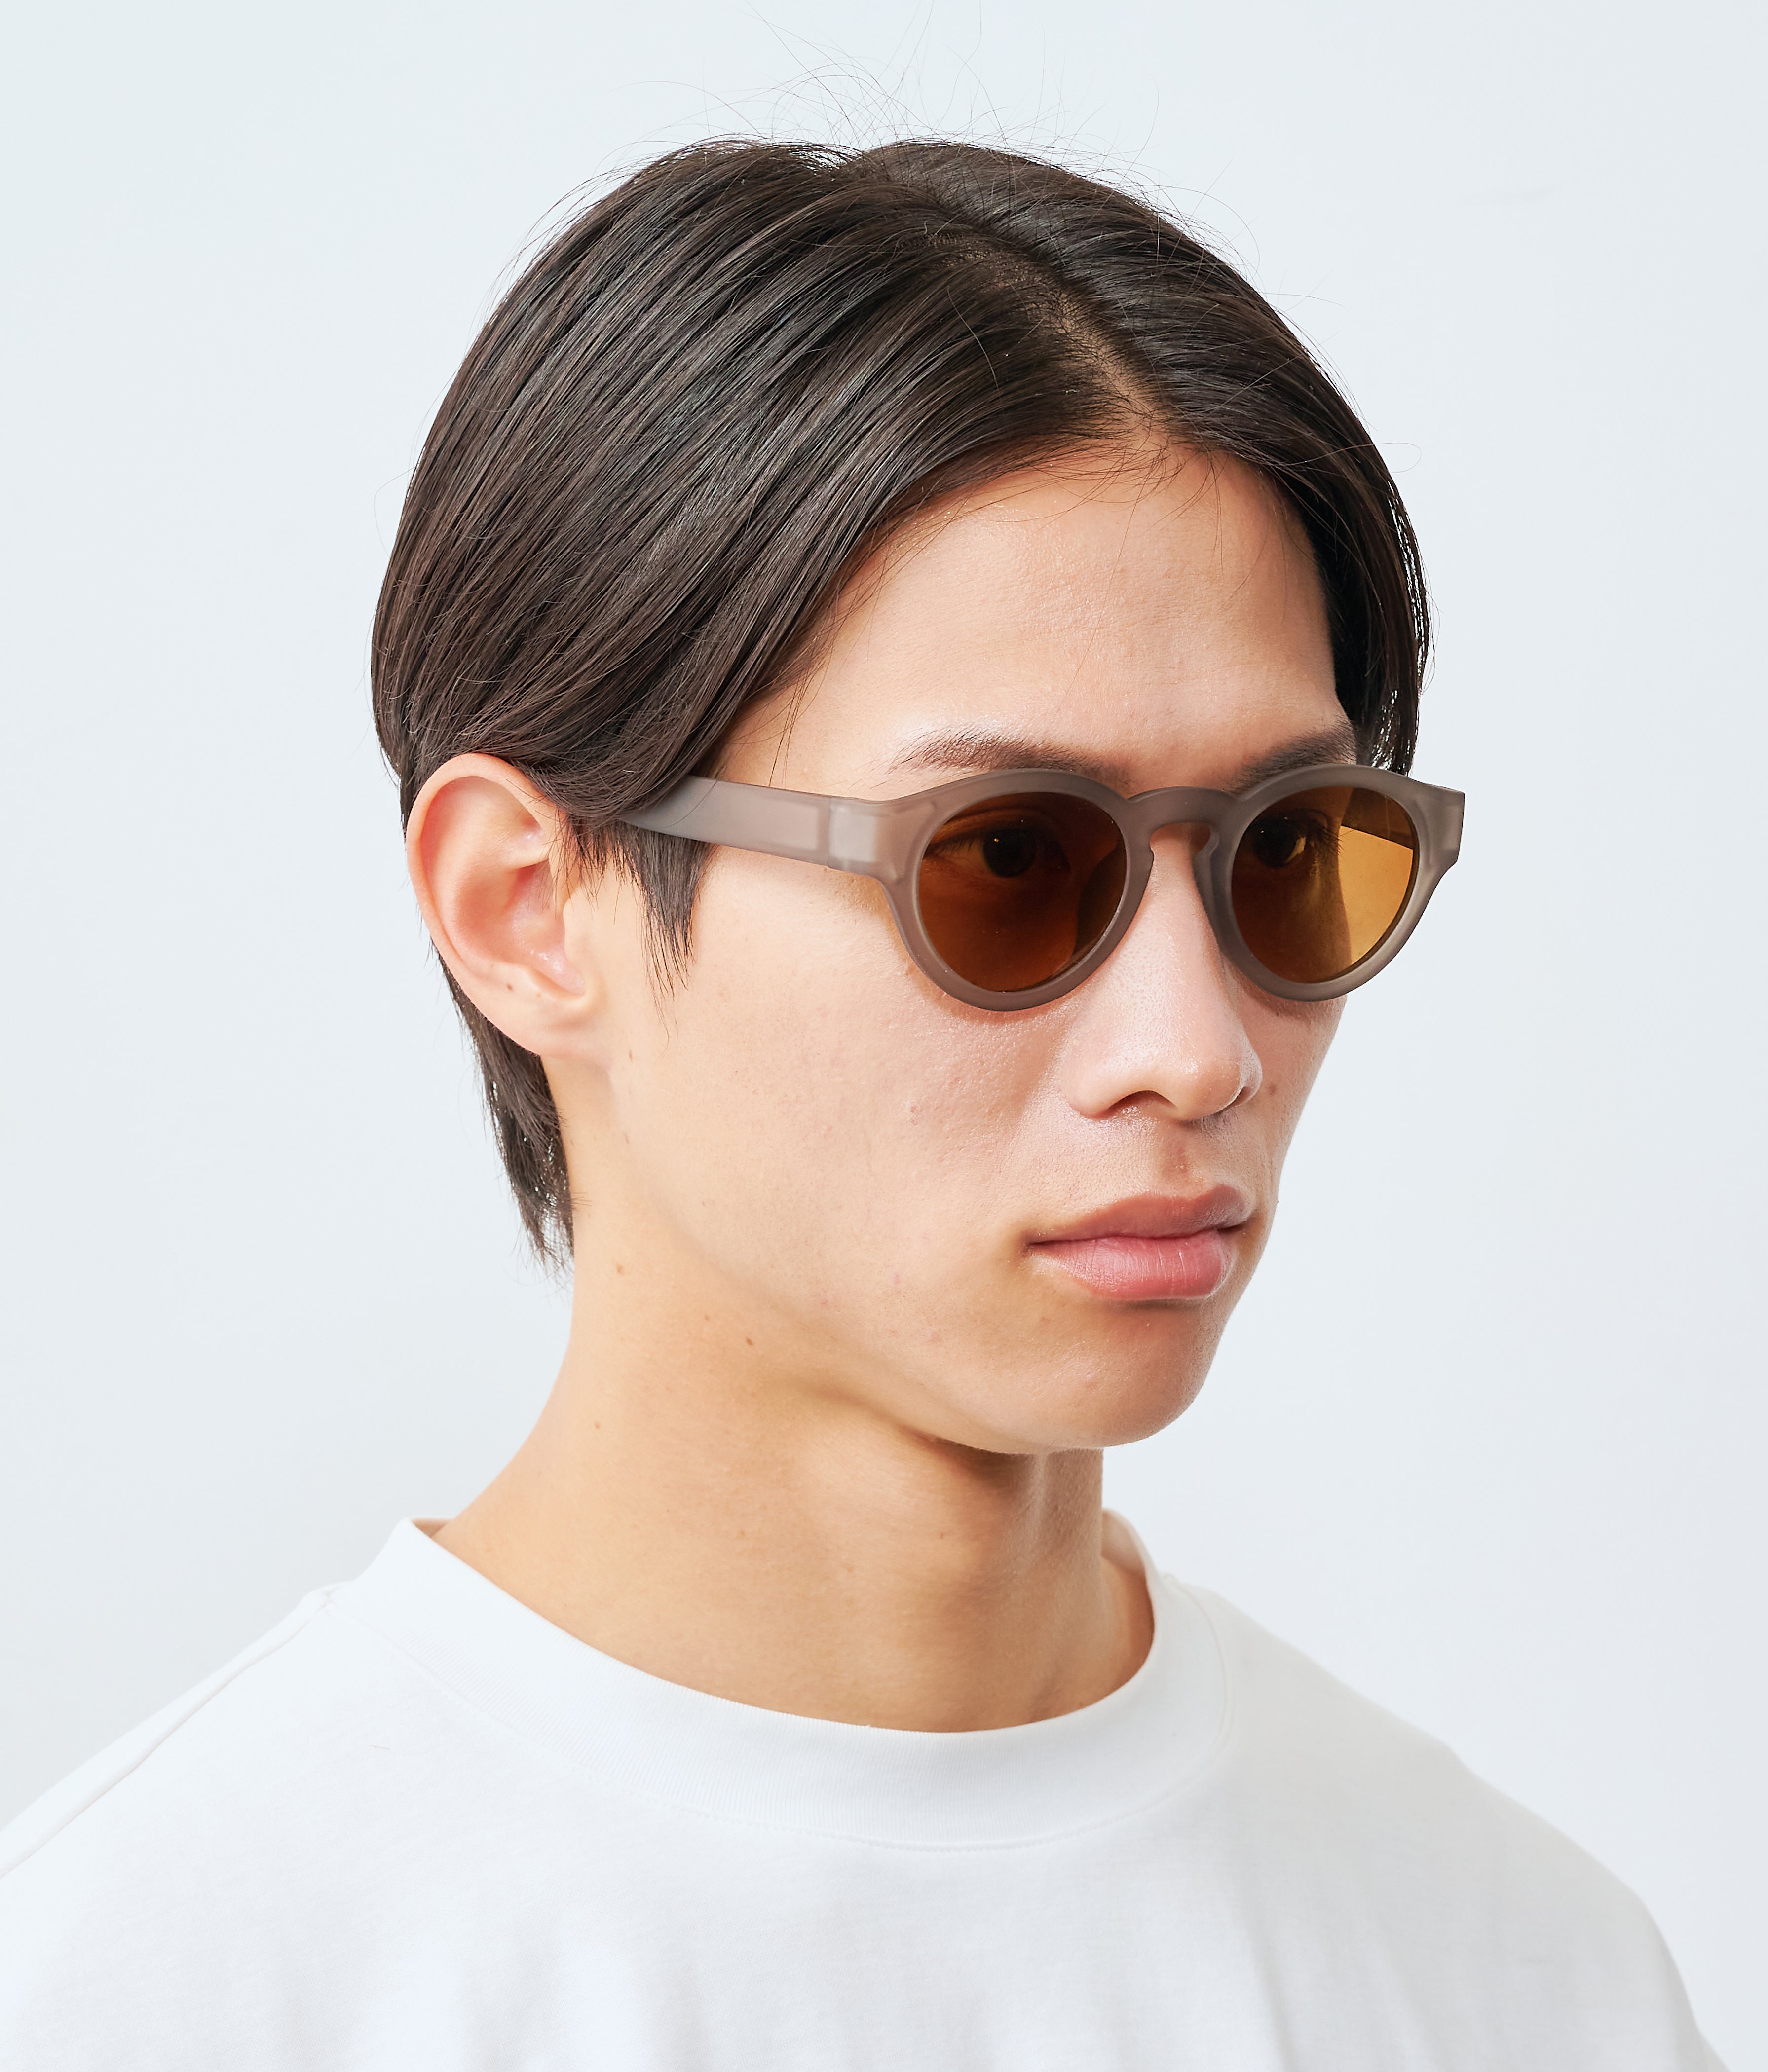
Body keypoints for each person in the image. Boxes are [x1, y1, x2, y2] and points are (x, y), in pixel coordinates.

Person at [0, 138, 1720, 2069]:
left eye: (1286, 849)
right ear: (527, 906)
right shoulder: (141, 1994)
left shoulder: (1524, 1984)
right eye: (1006, 860)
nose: (1198, 1047)